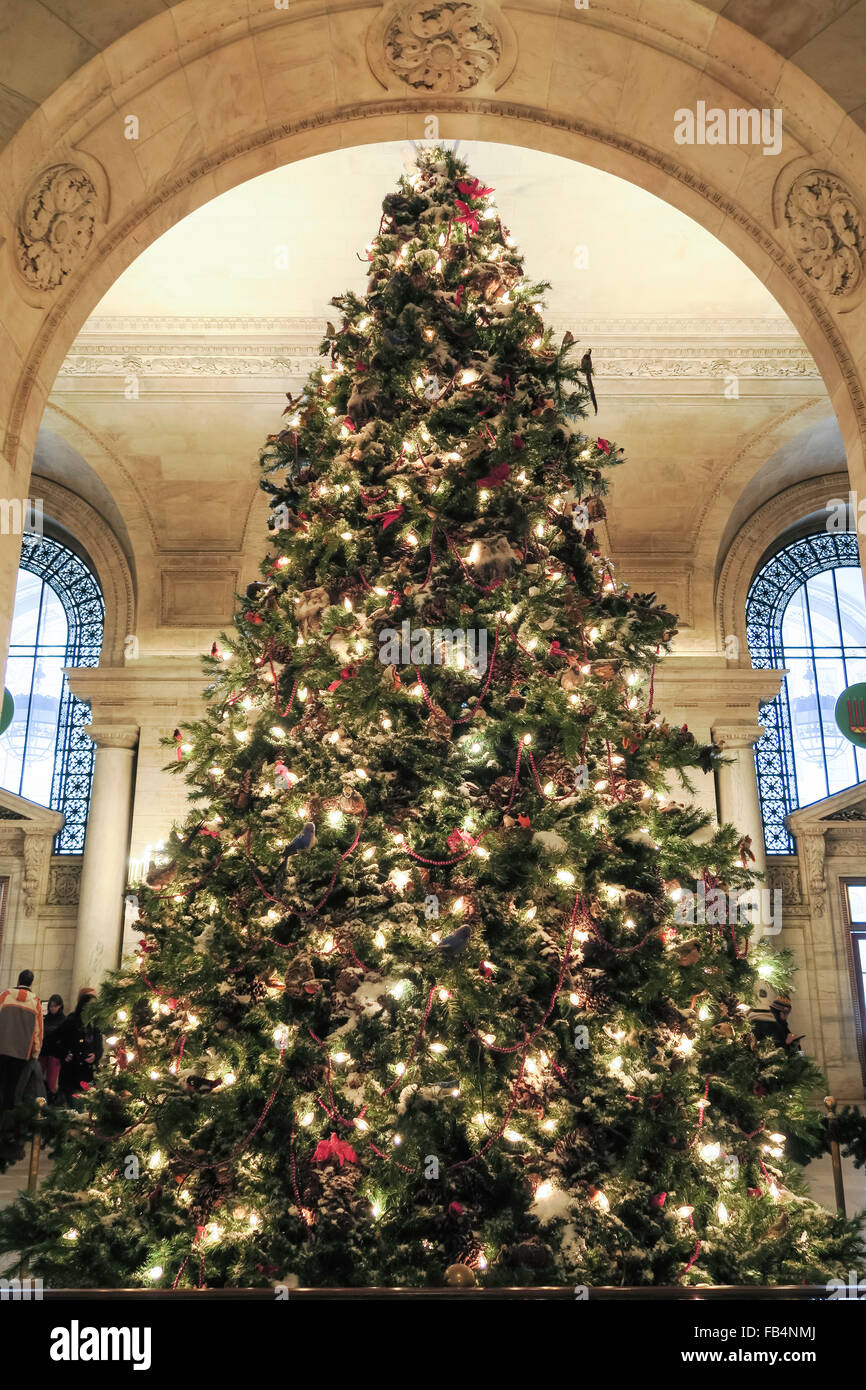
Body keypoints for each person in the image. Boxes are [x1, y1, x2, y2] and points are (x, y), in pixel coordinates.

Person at [0, 969, 43, 1109]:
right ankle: (8, 1117)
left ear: (18, 980)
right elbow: (38, 1031)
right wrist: (35, 1053)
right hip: (22, 1052)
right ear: (31, 983)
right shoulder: (35, 1001)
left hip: (2, 1048)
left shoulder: (5, 995)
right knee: (13, 1087)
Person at [57, 987, 102, 1105]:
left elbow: (99, 1046)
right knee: (73, 1107)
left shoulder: (95, 1022)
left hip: (87, 1074)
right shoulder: (71, 1020)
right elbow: (56, 1041)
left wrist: (95, 1055)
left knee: (86, 1108)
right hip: (71, 1074)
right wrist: (65, 1054)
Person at [39, 994, 65, 1102]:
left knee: (51, 1081)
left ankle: (50, 1103)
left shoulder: (63, 1020)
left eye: (55, 1006)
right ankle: (38, 1100)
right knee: (38, 1078)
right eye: (50, 1006)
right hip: (43, 1052)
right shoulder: (45, 1018)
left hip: (55, 1054)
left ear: (60, 1006)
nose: (52, 1008)